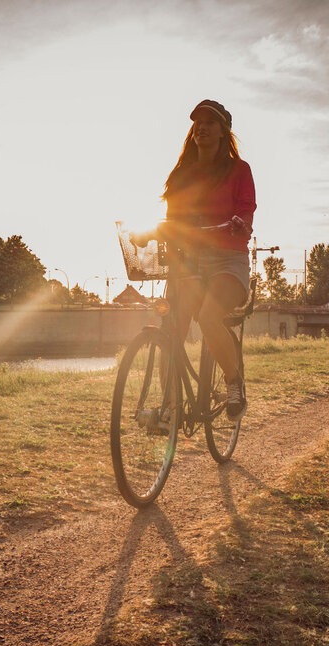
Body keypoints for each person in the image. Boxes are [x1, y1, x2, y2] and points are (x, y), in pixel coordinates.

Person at [131, 99, 256, 420]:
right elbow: (174, 219)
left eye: (210, 122)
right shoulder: (182, 173)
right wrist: (153, 234)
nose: (201, 127)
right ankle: (169, 409)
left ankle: (234, 382)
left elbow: (246, 210)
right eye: (197, 122)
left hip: (228, 261)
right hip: (188, 261)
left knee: (210, 316)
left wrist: (240, 223)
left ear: (223, 130)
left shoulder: (239, 170)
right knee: (171, 329)